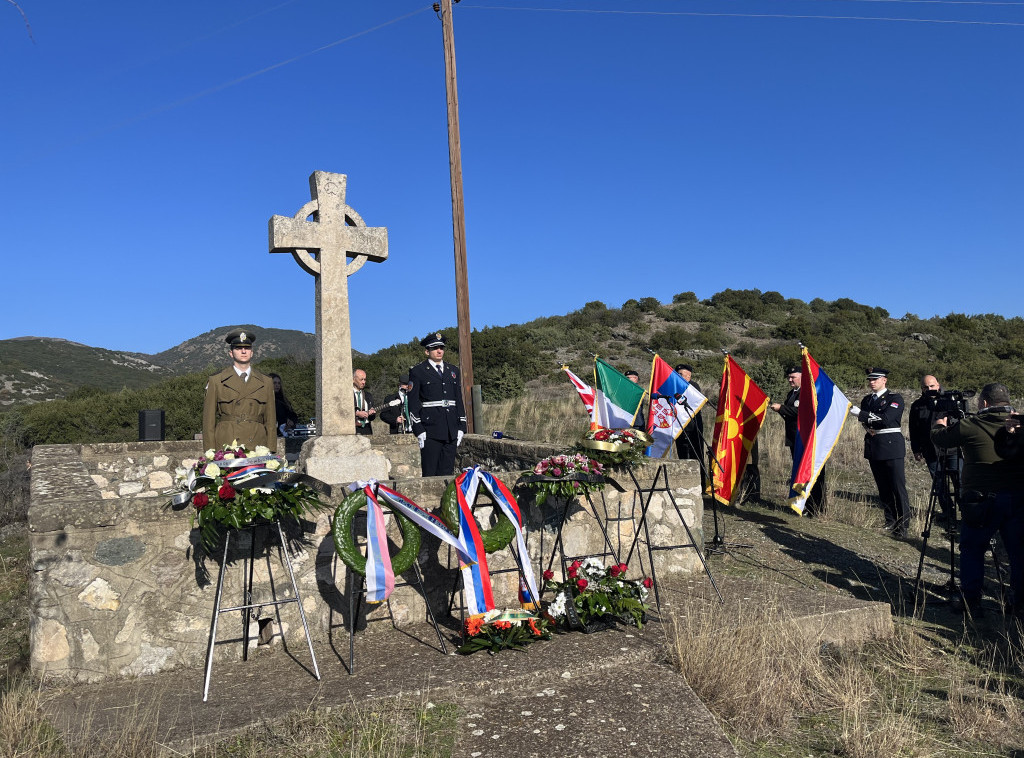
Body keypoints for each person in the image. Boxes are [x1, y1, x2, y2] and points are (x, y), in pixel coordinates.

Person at [931, 383, 1024, 617]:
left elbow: (941, 440)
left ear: (983, 403)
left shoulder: (970, 425)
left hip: (980, 498)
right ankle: (1018, 603)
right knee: (1018, 552)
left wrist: (939, 423)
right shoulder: (1019, 425)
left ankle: (971, 600)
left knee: (973, 549)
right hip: (1016, 496)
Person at [856, 368, 910, 538]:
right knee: (883, 487)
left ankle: (903, 524)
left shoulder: (895, 398)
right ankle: (890, 519)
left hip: (891, 445)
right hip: (874, 444)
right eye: (870, 379)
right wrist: (867, 424)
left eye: (876, 379)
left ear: (884, 380)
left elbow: (886, 419)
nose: (872, 382)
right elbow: (864, 421)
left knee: (897, 486)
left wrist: (863, 415)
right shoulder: (867, 400)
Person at [202, 330, 276, 450]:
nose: (243, 351)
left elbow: (271, 421)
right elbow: (208, 421)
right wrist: (210, 451)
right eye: (238, 348)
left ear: (252, 352)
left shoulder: (266, 381)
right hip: (227, 443)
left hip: (256, 443)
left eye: (247, 348)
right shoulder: (217, 380)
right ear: (231, 353)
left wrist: (272, 450)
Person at [408, 332, 467, 477]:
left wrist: (462, 426)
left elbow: (458, 399)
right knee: (430, 473)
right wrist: (418, 429)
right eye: (435, 348)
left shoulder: (453, 371)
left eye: (441, 347)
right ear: (427, 351)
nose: (439, 351)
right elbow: (413, 402)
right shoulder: (418, 372)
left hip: (451, 429)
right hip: (431, 431)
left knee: (447, 473)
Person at [770, 365, 824, 514]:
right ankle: (802, 504)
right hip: (795, 438)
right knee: (799, 470)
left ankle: (815, 507)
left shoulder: (808, 393)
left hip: (806, 440)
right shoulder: (791, 394)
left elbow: (803, 412)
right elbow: (790, 415)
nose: (790, 380)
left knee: (810, 473)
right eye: (789, 377)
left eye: (793, 377)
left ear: (802, 377)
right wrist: (780, 410)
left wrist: (781, 408)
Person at [907, 375, 957, 524]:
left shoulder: (950, 401)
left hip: (952, 449)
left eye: (932, 386)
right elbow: (913, 429)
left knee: (959, 481)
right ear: (921, 388)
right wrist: (916, 449)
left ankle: (967, 514)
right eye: (925, 387)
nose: (929, 389)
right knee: (939, 484)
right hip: (930, 450)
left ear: (938, 385)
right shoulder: (917, 405)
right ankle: (949, 514)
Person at [674, 363, 704, 461]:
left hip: (693, 425)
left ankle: (700, 476)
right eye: (677, 374)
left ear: (688, 375)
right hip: (679, 425)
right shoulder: (675, 387)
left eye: (681, 374)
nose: (678, 376)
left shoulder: (693, 386)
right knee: (682, 453)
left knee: (696, 454)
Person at [353, 369, 376, 436]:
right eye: (361, 379)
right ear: (353, 379)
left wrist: (372, 413)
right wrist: (357, 413)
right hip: (353, 428)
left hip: (366, 429)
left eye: (365, 379)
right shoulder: (347, 395)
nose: (363, 382)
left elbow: (372, 418)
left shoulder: (368, 396)